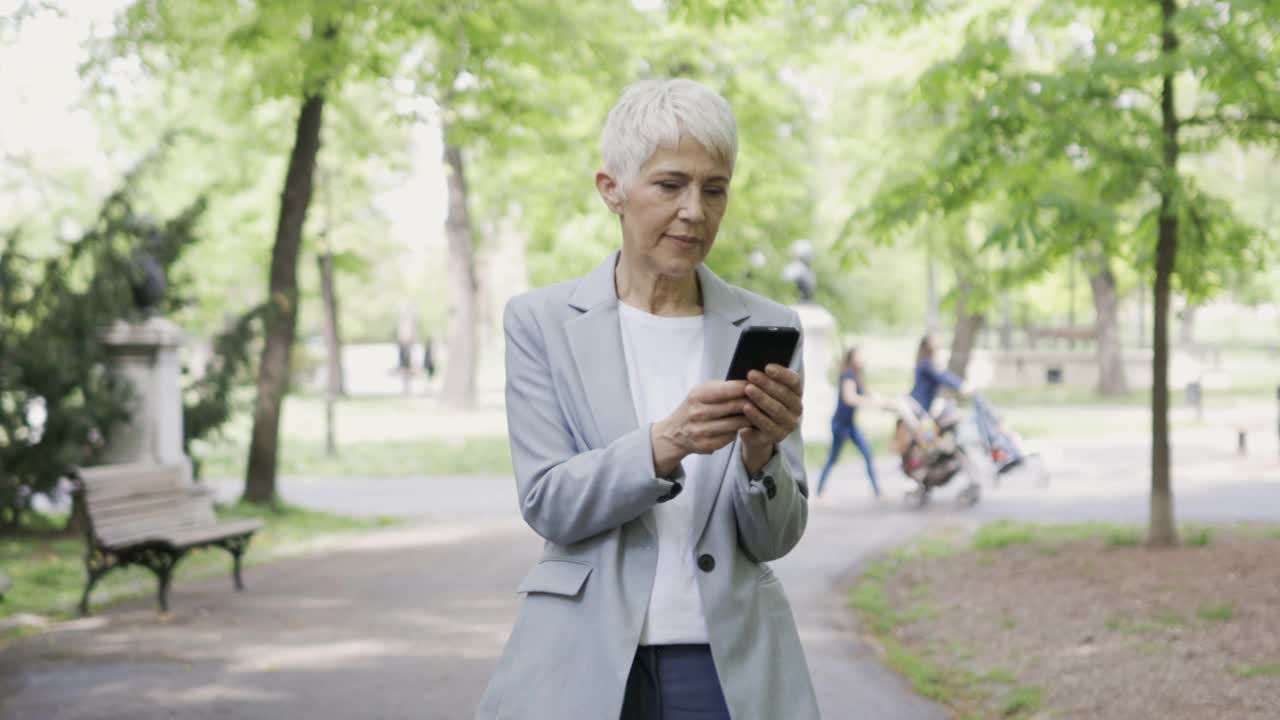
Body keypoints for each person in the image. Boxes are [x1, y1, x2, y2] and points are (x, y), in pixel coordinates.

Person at [476, 78, 819, 720]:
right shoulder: (541, 322)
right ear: (613, 190)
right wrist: (668, 443)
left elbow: (777, 539)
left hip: (725, 664)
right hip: (583, 659)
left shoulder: (768, 327)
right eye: (670, 185)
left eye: (714, 190)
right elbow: (548, 501)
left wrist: (761, 455)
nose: (695, 210)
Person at [815, 347, 880, 498]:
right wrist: (868, 402)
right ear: (852, 358)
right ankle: (819, 493)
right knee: (833, 458)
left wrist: (882, 401)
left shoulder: (857, 376)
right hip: (840, 424)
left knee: (867, 453)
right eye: (860, 356)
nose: (863, 359)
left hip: (850, 425)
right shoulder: (848, 375)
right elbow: (849, 398)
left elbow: (870, 394)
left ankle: (878, 492)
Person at [893, 333, 970, 458]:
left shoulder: (930, 362)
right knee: (928, 436)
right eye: (935, 340)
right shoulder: (926, 363)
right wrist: (961, 386)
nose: (939, 342)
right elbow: (942, 377)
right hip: (919, 405)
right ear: (928, 345)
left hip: (926, 405)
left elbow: (943, 375)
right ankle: (929, 447)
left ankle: (938, 447)